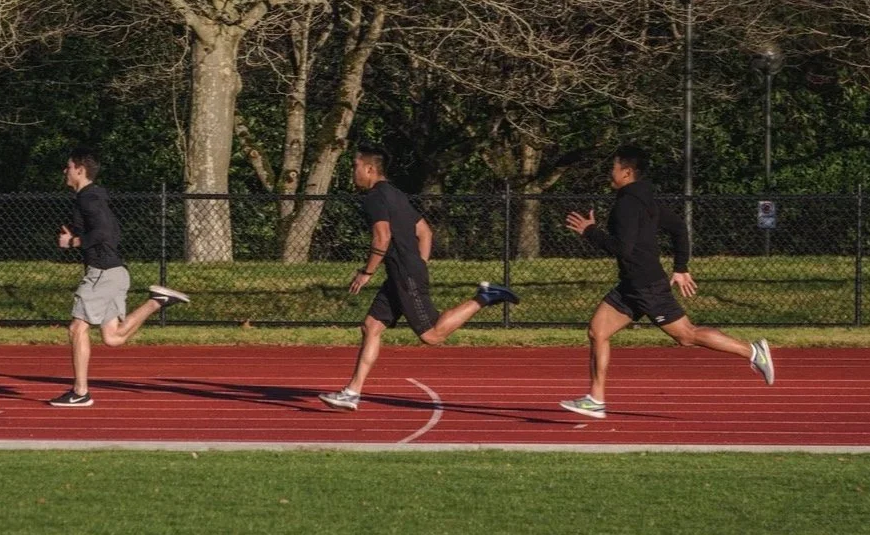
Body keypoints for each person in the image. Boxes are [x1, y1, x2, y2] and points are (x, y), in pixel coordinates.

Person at [560, 144, 774, 419]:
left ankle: (753, 352)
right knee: (597, 332)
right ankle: (596, 399)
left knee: (686, 335)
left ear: (626, 172)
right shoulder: (646, 200)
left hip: (646, 285)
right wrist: (681, 266)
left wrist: (590, 232)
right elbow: (677, 228)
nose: (608, 173)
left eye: (612, 167)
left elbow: (622, 248)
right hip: (631, 285)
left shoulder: (627, 204)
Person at [319, 142, 520, 412]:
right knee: (371, 327)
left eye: (355, 166)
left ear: (369, 169)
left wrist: (367, 272)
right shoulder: (396, 194)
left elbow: (382, 236)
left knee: (432, 335)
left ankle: (485, 296)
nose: (352, 172)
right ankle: (352, 393)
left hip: (404, 274)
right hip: (404, 272)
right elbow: (425, 231)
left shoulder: (375, 198)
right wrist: (418, 264)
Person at [49, 146, 190, 407]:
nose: (65, 171)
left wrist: (73, 242)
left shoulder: (88, 199)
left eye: (68, 167)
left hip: (102, 274)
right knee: (113, 338)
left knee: (77, 328)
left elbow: (103, 233)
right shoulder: (95, 198)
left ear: (80, 171)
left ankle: (80, 392)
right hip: (114, 273)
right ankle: (156, 301)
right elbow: (113, 233)